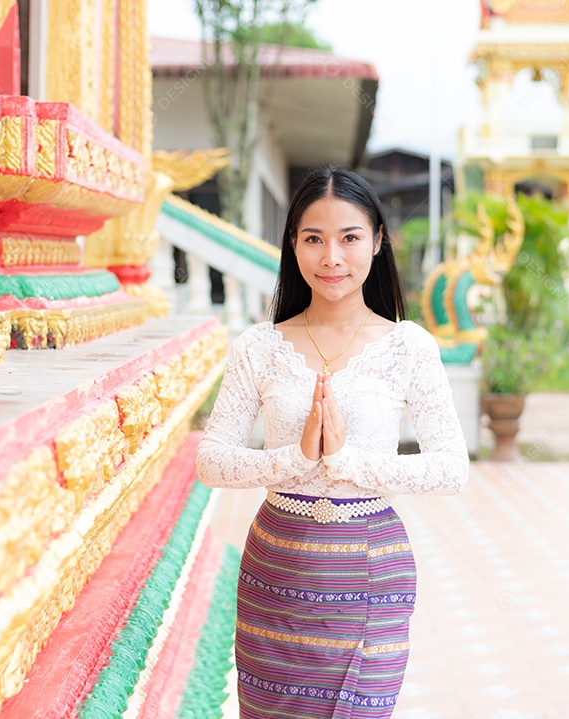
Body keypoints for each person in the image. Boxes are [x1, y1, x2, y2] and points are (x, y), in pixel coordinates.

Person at [196, 165, 470, 718]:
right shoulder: (259, 346)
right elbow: (211, 460)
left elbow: (451, 468)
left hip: (371, 568)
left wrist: (349, 462)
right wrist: (292, 459)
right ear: (293, 245)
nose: (332, 259)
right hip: (277, 568)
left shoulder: (408, 347)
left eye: (349, 238)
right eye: (313, 239)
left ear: (377, 241)